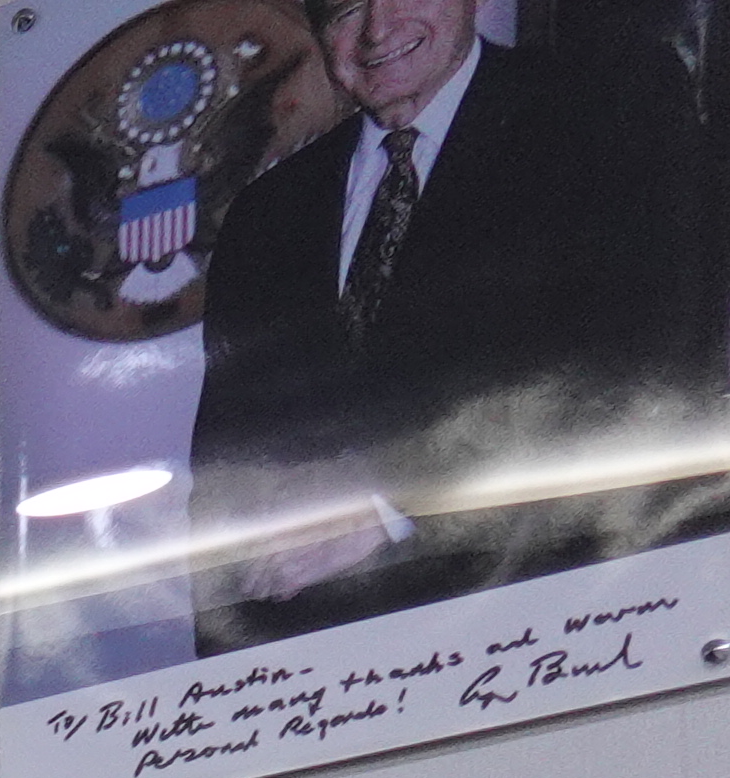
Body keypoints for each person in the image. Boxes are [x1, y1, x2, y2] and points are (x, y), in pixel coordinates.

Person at [185, 0, 711, 653]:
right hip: (323, 670)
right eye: (347, 8)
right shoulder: (265, 215)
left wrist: (390, 497)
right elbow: (223, 477)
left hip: (564, 632)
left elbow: (646, 366)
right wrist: (223, 681)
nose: (378, 30)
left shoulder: (611, 113)